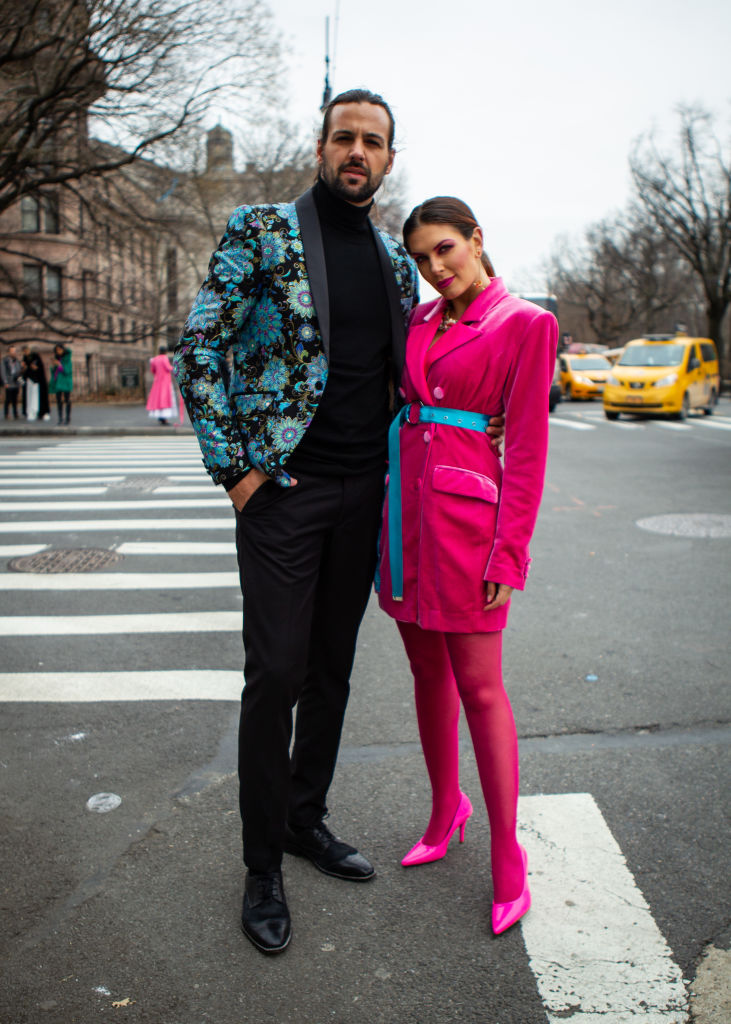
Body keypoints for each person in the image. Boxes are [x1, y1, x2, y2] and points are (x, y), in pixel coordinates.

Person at [175, 89, 503, 955]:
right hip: (282, 491)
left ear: (390, 160)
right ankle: (259, 868)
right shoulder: (263, 230)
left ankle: (302, 820)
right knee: (274, 674)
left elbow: (426, 369)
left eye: (374, 142)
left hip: (371, 494)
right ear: (321, 146)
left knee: (331, 670)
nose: (357, 151)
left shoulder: (399, 265)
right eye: (344, 137)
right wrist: (236, 472)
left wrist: (486, 418)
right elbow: (199, 345)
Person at [378, 197, 557, 935]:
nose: (435, 268)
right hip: (403, 519)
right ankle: (443, 808)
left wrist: (507, 550)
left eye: (445, 249)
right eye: (421, 259)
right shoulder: (418, 322)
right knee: (425, 674)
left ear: (477, 239)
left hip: (467, 527)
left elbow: (528, 448)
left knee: (481, 689)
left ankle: (506, 855)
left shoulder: (523, 323)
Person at [146, 344, 175, 424]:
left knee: (158, 398)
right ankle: (164, 418)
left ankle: (159, 416)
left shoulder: (154, 359)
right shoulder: (164, 358)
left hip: (157, 381)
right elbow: (168, 368)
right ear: (165, 352)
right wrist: (176, 369)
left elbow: (153, 370)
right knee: (165, 398)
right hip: (165, 381)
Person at [48, 344, 73, 424]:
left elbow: (67, 371)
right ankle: (60, 418)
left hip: (65, 383)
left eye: (60, 350)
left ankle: (67, 417)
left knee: (67, 400)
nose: (58, 351)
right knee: (58, 401)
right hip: (57, 383)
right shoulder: (57, 358)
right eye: (57, 350)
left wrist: (59, 365)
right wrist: (54, 366)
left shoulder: (67, 359)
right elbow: (53, 371)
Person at [25, 350, 50, 421]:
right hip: (33, 383)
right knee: (33, 399)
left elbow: (40, 371)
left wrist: (36, 368)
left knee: (40, 399)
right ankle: (35, 412)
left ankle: (43, 413)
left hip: (39, 383)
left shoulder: (38, 364)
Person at [1, 345, 22, 419]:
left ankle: (15, 413)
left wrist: (21, 382)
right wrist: (5, 382)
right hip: (9, 382)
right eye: (12, 351)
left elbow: (19, 372)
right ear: (8, 352)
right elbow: (3, 372)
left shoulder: (17, 361)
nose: (13, 353)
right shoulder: (5, 361)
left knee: (15, 399)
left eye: (14, 351)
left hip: (15, 383)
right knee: (8, 399)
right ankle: (6, 414)